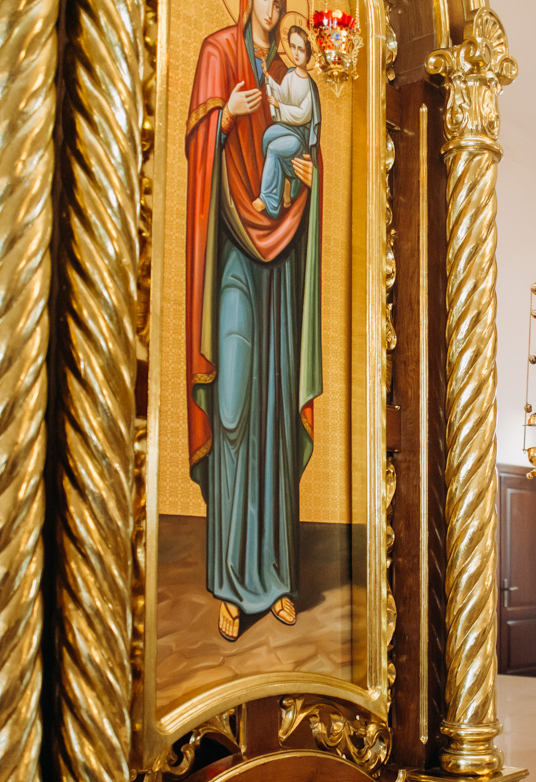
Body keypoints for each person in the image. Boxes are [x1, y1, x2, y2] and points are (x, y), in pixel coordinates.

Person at [183, 0, 323, 643]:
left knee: (274, 412)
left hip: (282, 262)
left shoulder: (292, 64)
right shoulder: (219, 52)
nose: (273, 5)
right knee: (235, 406)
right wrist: (226, 119)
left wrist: (308, 174)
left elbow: (307, 148)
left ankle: (276, 578)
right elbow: (198, 153)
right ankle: (231, 582)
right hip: (235, 255)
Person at [254, 25, 320, 219]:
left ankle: (268, 200)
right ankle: (285, 179)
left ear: (308, 52)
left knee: (273, 148)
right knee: (267, 137)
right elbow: (282, 94)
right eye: (293, 47)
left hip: (300, 139)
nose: (296, 53)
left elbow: (303, 114)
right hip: (287, 128)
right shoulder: (290, 75)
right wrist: (268, 78)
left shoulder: (309, 85)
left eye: (301, 49)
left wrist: (280, 106)